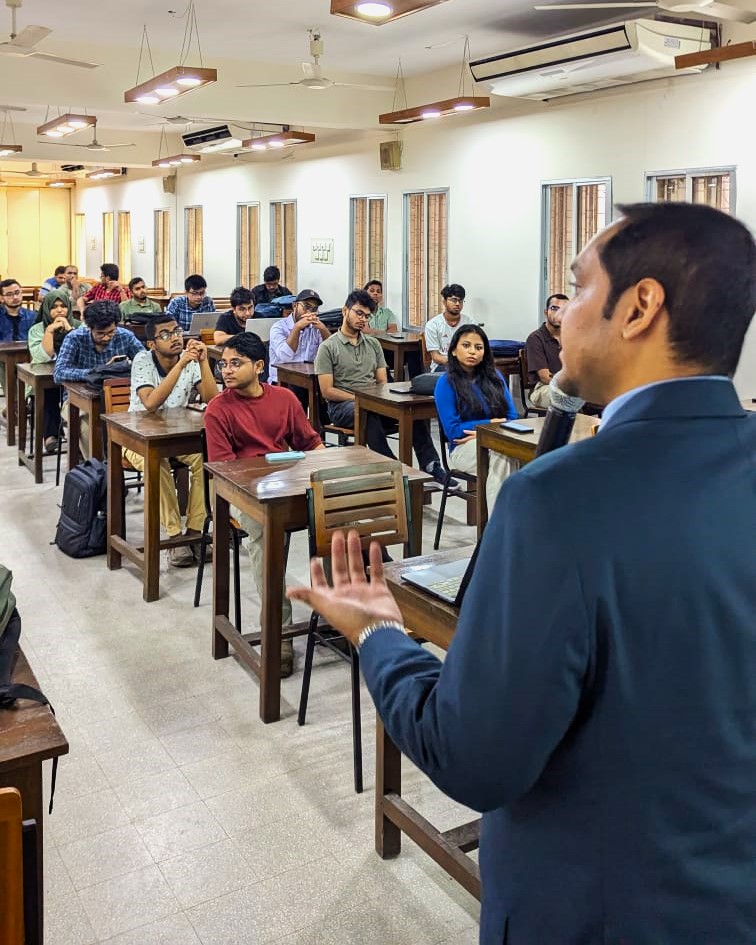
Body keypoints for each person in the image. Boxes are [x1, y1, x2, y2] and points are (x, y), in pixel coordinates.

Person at [288, 202, 756, 945]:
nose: (560, 312)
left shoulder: (559, 498)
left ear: (639, 307)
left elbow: (473, 754)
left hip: (594, 911)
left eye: (576, 287)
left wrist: (377, 629)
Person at [204, 332, 323, 677]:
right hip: (236, 492)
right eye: (223, 364)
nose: (226, 370)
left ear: (258, 366)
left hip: (285, 483)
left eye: (235, 363)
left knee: (339, 517)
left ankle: (337, 612)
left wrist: (330, 475)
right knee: (262, 530)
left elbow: (311, 444)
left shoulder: (284, 398)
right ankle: (279, 629)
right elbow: (225, 472)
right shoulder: (218, 410)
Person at [314, 290, 450, 484]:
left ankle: (431, 465)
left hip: (374, 401)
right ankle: (392, 468)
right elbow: (327, 391)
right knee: (366, 411)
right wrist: (361, 400)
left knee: (410, 411)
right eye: (358, 313)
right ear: (345, 311)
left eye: (367, 316)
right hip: (343, 407)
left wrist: (379, 400)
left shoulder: (373, 344)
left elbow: (382, 382)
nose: (362, 319)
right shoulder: (328, 347)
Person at [125, 313, 218, 567]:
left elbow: (212, 399)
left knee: (205, 459)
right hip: (137, 437)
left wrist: (203, 362)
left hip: (175, 435)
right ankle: (174, 537)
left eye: (177, 331)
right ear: (152, 344)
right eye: (165, 335)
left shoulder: (190, 361)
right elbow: (151, 403)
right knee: (159, 464)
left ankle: (195, 531)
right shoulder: (142, 360)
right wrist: (182, 364)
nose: (174, 338)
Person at [434, 325, 519, 509]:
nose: (472, 351)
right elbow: (454, 431)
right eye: (466, 345)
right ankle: (497, 532)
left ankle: (523, 527)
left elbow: (512, 417)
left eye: (478, 348)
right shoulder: (446, 383)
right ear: (454, 350)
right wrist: (487, 427)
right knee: (502, 455)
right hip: (462, 448)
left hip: (493, 438)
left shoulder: (494, 377)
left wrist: (484, 432)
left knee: (528, 456)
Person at [54, 300, 144, 458]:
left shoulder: (125, 336)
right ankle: (99, 473)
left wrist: (128, 364)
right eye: (100, 334)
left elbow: (145, 362)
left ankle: (122, 464)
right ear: (89, 328)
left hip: (120, 399)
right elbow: (59, 373)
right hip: (78, 401)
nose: (106, 338)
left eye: (110, 332)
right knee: (89, 431)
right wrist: (97, 372)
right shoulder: (75, 338)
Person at [27, 289, 81, 452]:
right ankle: (51, 436)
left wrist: (70, 331)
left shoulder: (78, 326)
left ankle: (80, 440)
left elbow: (83, 351)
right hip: (46, 374)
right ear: (46, 308)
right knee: (47, 393)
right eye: (54, 307)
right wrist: (50, 330)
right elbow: (44, 356)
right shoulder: (37, 329)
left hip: (73, 375)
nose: (59, 311)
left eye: (63, 306)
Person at [268, 288, 330, 383]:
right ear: (294, 306)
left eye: (314, 309)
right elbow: (285, 357)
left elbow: (331, 352)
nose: (309, 312)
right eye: (306, 306)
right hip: (282, 381)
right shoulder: (278, 328)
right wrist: (297, 328)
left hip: (308, 381)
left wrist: (323, 329)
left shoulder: (316, 328)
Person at [0, 279, 36, 423]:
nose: (15, 297)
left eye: (17, 293)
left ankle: (17, 406)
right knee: (4, 367)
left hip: (27, 358)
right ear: (1, 298)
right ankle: (16, 405)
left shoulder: (33, 316)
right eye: (9, 294)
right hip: (3, 359)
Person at [525, 293, 568, 409]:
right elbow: (545, 377)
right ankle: (572, 427)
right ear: (546, 312)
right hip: (543, 388)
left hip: (570, 386)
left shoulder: (571, 338)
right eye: (554, 308)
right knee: (567, 397)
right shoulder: (535, 338)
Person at [424, 283, 473, 372]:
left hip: (466, 363)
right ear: (444, 301)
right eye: (454, 300)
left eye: (460, 301)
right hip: (442, 365)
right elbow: (435, 357)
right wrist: (456, 363)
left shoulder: (470, 323)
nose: (457, 304)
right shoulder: (433, 325)